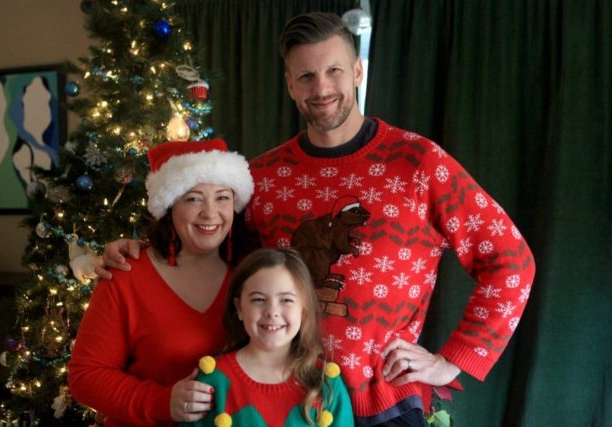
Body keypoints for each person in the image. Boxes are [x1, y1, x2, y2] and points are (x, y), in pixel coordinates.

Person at [97, 11, 536, 426]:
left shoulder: (418, 163)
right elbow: (213, 248)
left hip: (382, 403)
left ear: (358, 72)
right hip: (284, 403)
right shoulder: (263, 178)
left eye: (334, 71)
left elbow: (511, 260)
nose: (321, 87)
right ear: (290, 85)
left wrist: (452, 361)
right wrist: (141, 249)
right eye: (306, 75)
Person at [68, 138, 254, 426]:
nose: (210, 212)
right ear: (169, 206)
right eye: (193, 198)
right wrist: (162, 402)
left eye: (222, 197)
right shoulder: (126, 273)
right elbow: (85, 376)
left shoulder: (252, 276)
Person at [181, 247, 354, 427]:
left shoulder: (326, 383)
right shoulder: (213, 381)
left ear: (303, 310)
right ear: (239, 308)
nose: (272, 312)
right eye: (258, 299)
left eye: (286, 300)